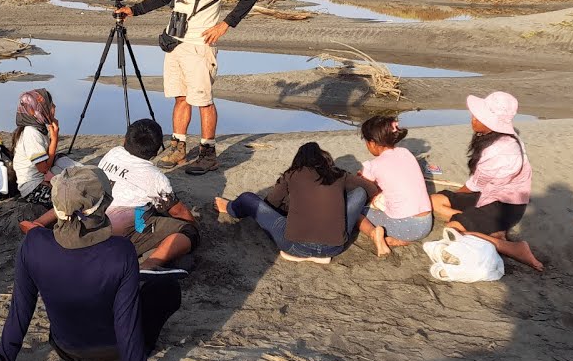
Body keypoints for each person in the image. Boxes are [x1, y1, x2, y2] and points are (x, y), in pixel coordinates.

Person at [0, 166, 177, 361]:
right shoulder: (121, 252)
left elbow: (21, 307)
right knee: (167, 288)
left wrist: (2, 357)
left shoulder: (34, 244)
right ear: (103, 204)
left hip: (65, 348)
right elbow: (126, 320)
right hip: (116, 354)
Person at [114, 0, 259, 174]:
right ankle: (178, 147)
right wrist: (134, 10)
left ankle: (208, 153)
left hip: (199, 47)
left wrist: (224, 25)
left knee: (202, 100)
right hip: (175, 43)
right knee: (181, 98)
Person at [430, 92, 543, 272]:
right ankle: (481, 223)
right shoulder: (489, 137)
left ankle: (513, 248)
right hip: (487, 194)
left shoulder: (503, 150)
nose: (473, 119)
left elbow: (475, 185)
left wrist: (459, 198)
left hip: (505, 205)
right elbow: (478, 184)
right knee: (434, 201)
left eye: (478, 116)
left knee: (453, 230)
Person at [215, 142, 376, 264]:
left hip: (295, 246)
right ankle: (320, 254)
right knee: (360, 192)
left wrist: (291, 204)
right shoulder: (339, 174)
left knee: (248, 198)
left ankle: (230, 208)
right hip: (334, 247)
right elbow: (370, 189)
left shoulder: (292, 174)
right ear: (326, 160)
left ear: (298, 160)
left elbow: (271, 203)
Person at [98, 118, 199, 271]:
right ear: (157, 151)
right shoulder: (154, 176)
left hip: (96, 218)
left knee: (150, 209)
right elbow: (178, 211)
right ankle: (149, 264)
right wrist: (194, 224)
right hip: (120, 229)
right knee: (188, 232)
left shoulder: (113, 153)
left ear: (125, 139)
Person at [355, 116, 434, 258]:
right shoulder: (406, 153)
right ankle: (399, 240)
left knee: (356, 212)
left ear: (372, 143)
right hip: (426, 223)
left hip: (405, 226)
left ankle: (374, 234)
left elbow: (364, 192)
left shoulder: (372, 165)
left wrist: (360, 179)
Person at [12, 88, 76, 232]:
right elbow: (44, 169)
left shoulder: (38, 128)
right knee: (71, 199)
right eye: (50, 105)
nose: (54, 108)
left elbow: (46, 163)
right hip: (32, 188)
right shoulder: (32, 134)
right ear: (38, 110)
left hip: (42, 178)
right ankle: (36, 223)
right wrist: (54, 139)